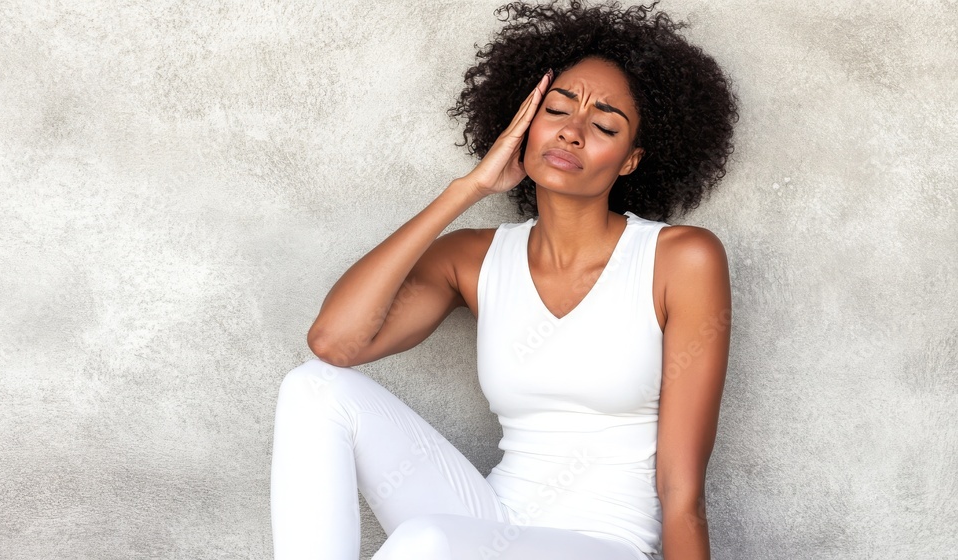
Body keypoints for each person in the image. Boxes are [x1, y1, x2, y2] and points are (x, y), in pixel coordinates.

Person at [270, 1, 737, 558]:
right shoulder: (473, 258)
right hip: (492, 526)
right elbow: (334, 343)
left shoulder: (680, 258)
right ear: (525, 124)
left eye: (604, 125)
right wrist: (467, 190)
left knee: (427, 541)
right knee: (313, 387)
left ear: (630, 160)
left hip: (606, 542)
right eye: (556, 110)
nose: (572, 132)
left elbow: (682, 493)